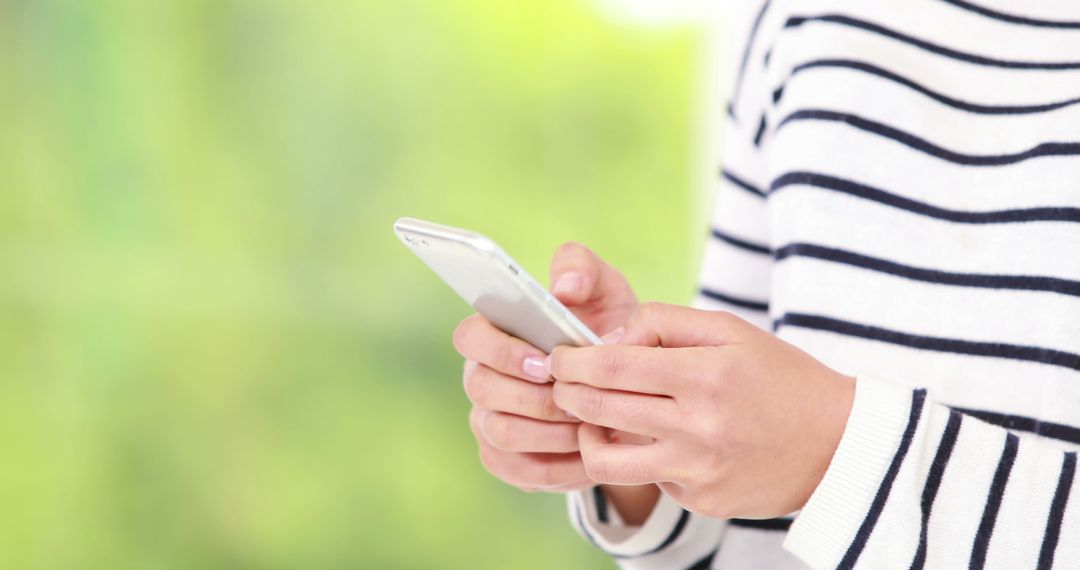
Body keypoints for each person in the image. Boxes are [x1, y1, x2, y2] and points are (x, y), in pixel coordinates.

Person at [451, 1, 1080, 567]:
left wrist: (837, 458)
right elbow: (745, 537)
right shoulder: (802, 19)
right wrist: (642, 441)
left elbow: (813, 463)